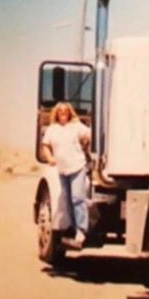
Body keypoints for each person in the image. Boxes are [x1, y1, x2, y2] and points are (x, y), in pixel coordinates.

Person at [42, 101, 91, 249]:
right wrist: (50, 158)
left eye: (66, 111)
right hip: (62, 170)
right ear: (56, 113)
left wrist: (86, 144)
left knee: (77, 197)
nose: (63, 113)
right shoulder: (52, 129)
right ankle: (71, 229)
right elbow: (45, 145)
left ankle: (81, 230)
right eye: (60, 111)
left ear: (69, 113)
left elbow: (89, 134)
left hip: (77, 166)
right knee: (67, 199)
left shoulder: (76, 126)